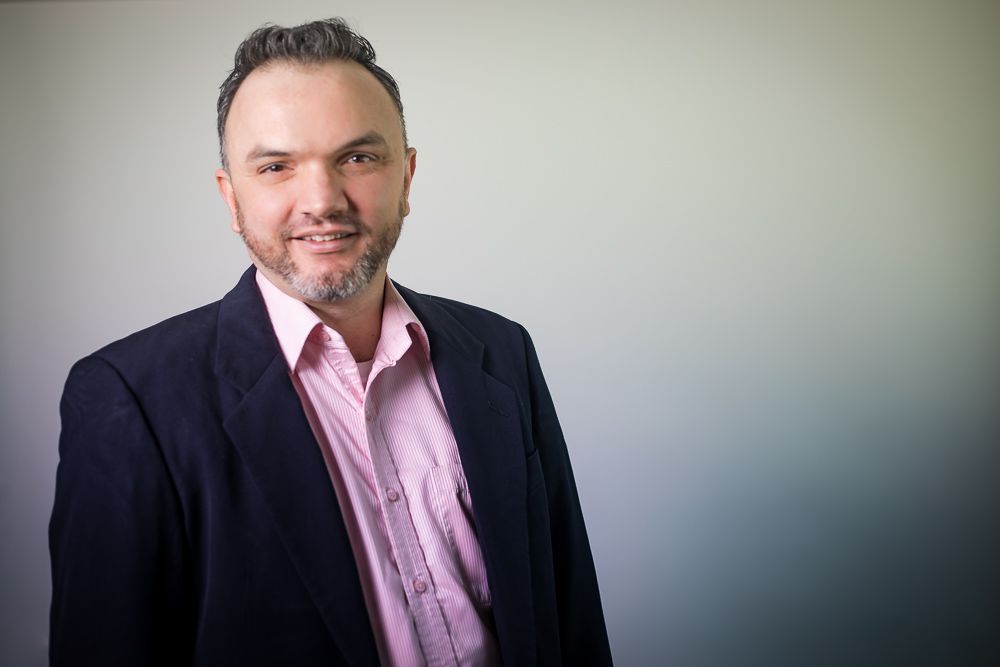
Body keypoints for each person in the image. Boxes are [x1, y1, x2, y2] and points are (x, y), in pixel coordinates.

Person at [49, 18, 611, 667]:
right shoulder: (129, 402)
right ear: (231, 199)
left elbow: (571, 621)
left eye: (357, 157)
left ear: (406, 176)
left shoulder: (502, 351)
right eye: (276, 166)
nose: (321, 200)